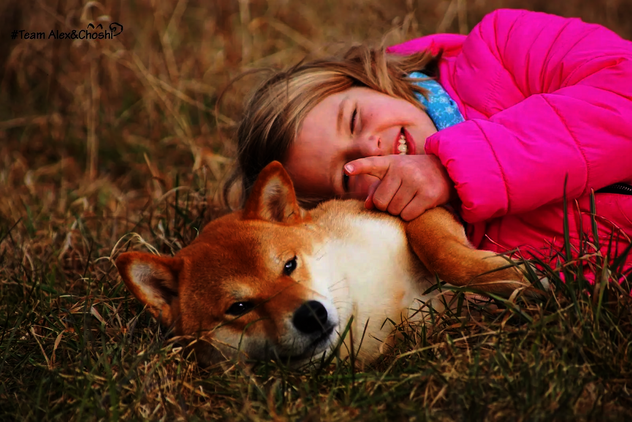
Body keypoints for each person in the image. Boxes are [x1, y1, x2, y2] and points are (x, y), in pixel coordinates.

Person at [225, 8, 632, 273]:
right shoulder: (452, 253)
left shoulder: (502, 44)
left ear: (368, 77)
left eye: (354, 119)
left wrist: (453, 170)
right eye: (349, 173)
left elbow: (623, 91)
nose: (370, 146)